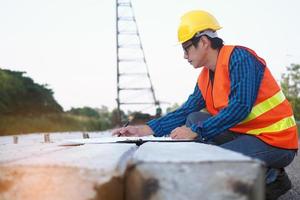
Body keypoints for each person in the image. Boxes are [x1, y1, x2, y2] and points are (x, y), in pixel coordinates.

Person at [112, 10, 298, 199]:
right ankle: (253, 170)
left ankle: (272, 178)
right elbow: (185, 111)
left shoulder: (240, 58)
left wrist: (197, 131)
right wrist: (143, 130)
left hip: (276, 141)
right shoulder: (205, 77)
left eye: (186, 48)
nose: (184, 56)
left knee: (212, 160)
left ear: (203, 42)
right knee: (193, 118)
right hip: (248, 134)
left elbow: (240, 107)